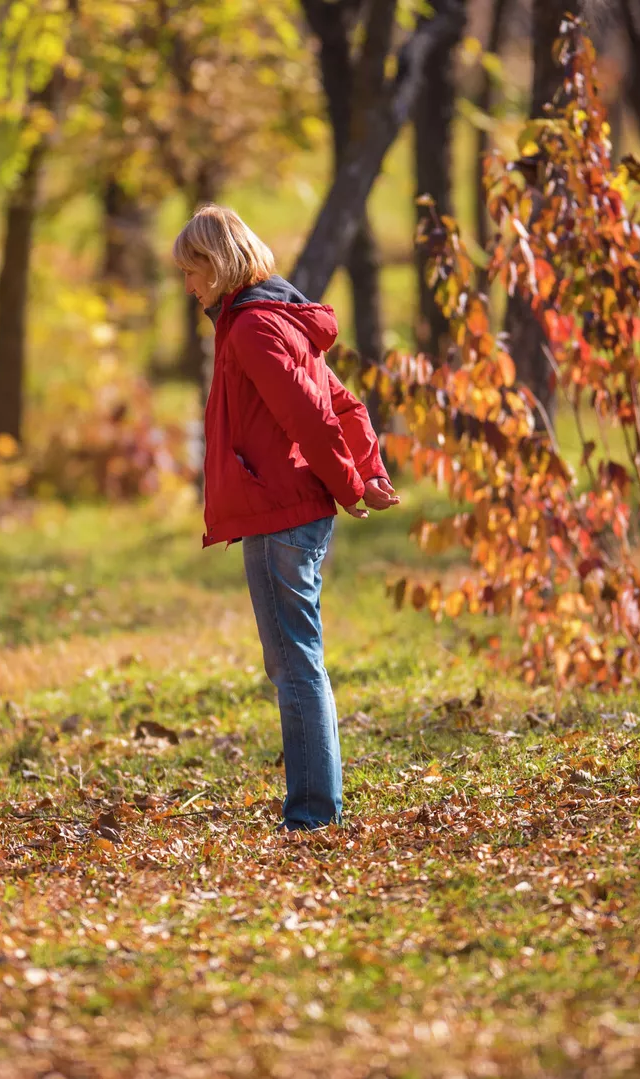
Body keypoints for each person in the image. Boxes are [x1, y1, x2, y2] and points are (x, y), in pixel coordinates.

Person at [171, 204, 399, 832]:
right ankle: (313, 807)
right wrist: (370, 470)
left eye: (191, 272)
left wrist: (351, 481)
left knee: (294, 662)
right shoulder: (271, 318)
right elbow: (343, 403)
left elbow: (311, 414)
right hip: (286, 508)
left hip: (281, 513)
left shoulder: (251, 327)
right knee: (299, 659)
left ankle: (311, 815)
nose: (188, 286)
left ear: (217, 265)